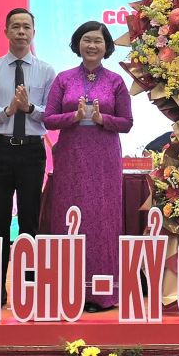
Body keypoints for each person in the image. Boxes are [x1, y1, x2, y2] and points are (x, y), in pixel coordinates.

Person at [43, 21, 133, 313]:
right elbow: (48, 119)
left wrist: (102, 120)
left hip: (104, 156)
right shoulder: (64, 79)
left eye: (97, 41)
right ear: (77, 44)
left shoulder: (116, 81)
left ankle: (101, 293)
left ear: (106, 46)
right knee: (70, 216)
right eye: (86, 40)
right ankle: (66, 289)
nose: (91, 46)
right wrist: (73, 116)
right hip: (71, 156)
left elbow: (127, 123)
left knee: (101, 219)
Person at [0, 8, 55, 305]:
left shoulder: (47, 71)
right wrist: (10, 109)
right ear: (6, 31)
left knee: (29, 222)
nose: (21, 32)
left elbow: (52, 115)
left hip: (32, 151)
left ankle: (28, 289)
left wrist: (30, 109)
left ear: (33, 32)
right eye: (16, 27)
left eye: (26, 27)